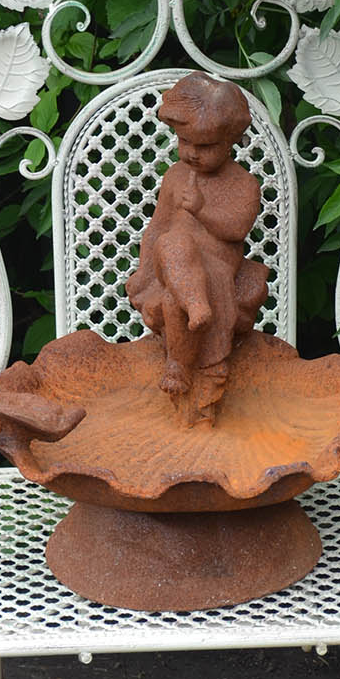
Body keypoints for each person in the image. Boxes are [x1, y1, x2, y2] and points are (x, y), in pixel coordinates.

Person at [125, 71, 268, 424]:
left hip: (216, 264)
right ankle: (195, 303)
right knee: (172, 242)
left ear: (230, 141)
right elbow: (157, 228)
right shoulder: (175, 177)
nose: (192, 153)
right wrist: (144, 273)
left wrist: (201, 209)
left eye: (205, 147)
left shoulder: (244, 183)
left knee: (175, 297)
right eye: (185, 142)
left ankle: (179, 364)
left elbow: (237, 229)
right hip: (171, 260)